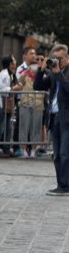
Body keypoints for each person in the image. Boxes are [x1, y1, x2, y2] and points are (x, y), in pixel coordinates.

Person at [47, 44, 69, 195]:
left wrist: (59, 74)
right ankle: (60, 184)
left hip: (66, 118)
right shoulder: (54, 72)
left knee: (64, 153)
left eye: (60, 58)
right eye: (55, 58)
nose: (57, 61)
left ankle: (66, 186)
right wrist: (43, 69)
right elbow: (38, 85)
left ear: (67, 57)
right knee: (56, 154)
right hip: (54, 116)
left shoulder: (64, 73)